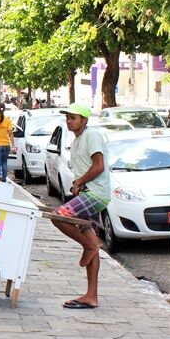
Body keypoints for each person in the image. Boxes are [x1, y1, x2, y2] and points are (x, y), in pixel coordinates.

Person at [52, 103, 110, 309]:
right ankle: (91, 295)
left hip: (96, 194)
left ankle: (88, 246)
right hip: (87, 193)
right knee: (89, 237)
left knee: (59, 215)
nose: (69, 121)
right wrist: (78, 183)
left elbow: (99, 166)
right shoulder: (77, 140)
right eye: (67, 118)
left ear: (84, 120)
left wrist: (79, 181)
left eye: (73, 118)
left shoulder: (92, 136)